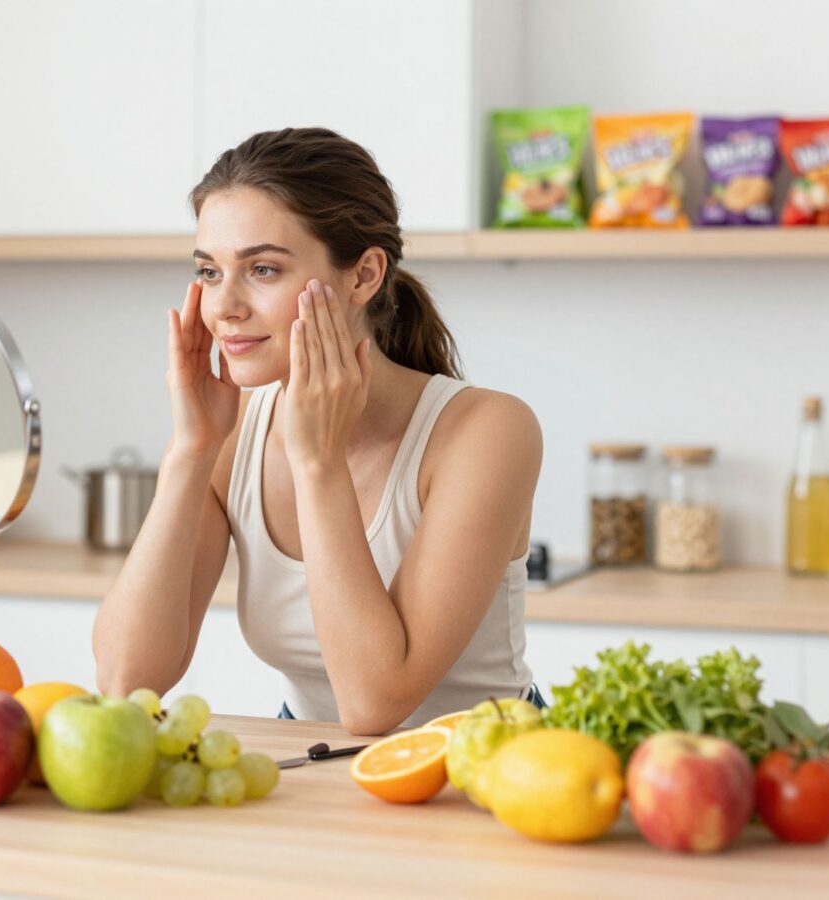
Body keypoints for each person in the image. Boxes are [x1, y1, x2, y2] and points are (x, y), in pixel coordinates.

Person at [92, 127, 543, 735]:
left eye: (263, 269)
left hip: (489, 775)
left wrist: (317, 462)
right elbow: (125, 680)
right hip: (321, 769)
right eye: (208, 271)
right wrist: (190, 451)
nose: (223, 306)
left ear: (362, 276)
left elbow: (375, 703)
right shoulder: (231, 435)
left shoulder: (487, 431)